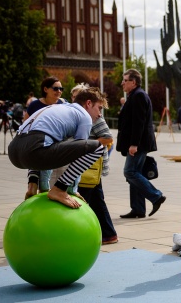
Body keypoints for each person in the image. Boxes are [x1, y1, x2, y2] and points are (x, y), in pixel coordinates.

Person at [8, 87, 107, 208]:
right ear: (88, 103)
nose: (100, 114)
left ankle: (32, 185)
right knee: (97, 147)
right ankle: (59, 189)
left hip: (14, 151)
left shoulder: (57, 108)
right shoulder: (84, 116)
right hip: (34, 150)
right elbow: (79, 154)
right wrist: (71, 189)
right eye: (99, 108)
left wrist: (43, 188)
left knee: (49, 144)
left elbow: (47, 147)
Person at [71, 84, 118, 245]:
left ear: (88, 102)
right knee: (97, 201)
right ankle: (108, 234)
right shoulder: (79, 115)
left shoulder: (95, 118)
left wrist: (83, 145)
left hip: (89, 166)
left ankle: (81, 235)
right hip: (87, 166)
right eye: (73, 97)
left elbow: (107, 137)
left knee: (81, 200)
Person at [117, 69, 166, 218]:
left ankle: (156, 196)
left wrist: (134, 144)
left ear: (133, 82)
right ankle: (138, 209)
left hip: (138, 144)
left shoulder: (138, 96)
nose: (122, 83)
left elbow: (139, 123)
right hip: (138, 143)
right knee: (135, 174)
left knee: (130, 172)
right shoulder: (135, 95)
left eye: (125, 80)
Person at [23, 77, 65, 196]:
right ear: (45, 89)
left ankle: (36, 186)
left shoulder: (62, 104)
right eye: (56, 88)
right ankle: (34, 186)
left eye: (61, 88)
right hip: (37, 140)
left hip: (54, 141)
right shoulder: (35, 105)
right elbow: (25, 124)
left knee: (44, 168)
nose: (59, 91)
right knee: (38, 160)